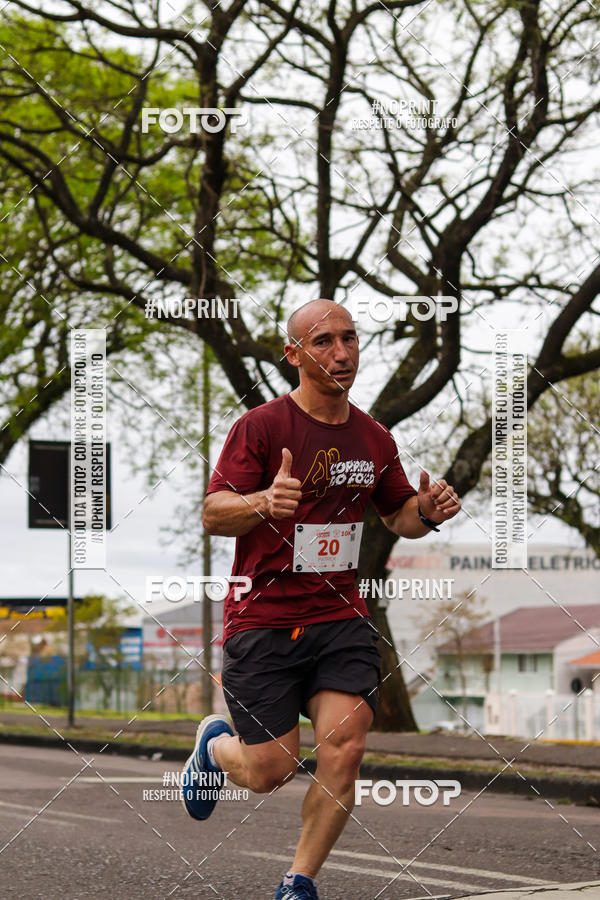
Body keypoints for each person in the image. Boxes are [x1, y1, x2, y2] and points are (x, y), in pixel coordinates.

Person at [181, 299, 461, 899]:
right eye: (324, 341)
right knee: (270, 771)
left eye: (350, 339)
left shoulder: (373, 437)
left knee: (347, 745)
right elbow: (212, 513)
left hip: (339, 617)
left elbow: (397, 514)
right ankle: (215, 745)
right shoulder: (259, 428)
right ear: (294, 354)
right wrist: (262, 502)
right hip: (263, 618)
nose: (341, 352)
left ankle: (298, 881)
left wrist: (427, 513)